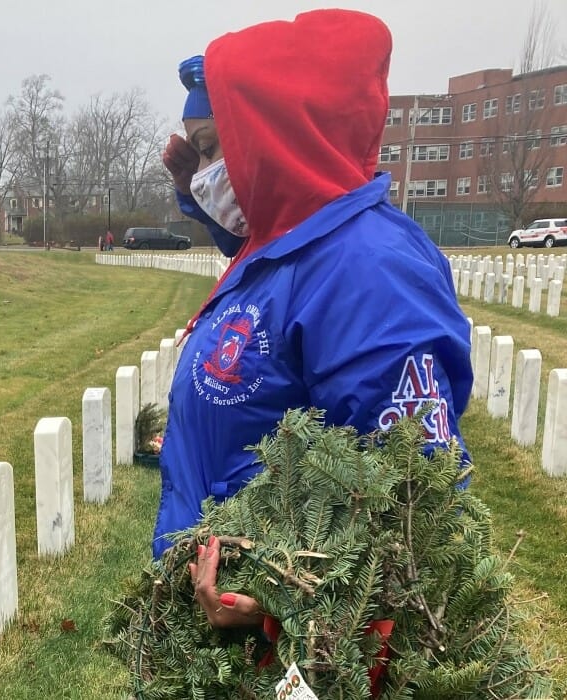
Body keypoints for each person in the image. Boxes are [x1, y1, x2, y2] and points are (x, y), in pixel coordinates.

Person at [154, 9, 472, 630]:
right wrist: (206, 202)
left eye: (215, 148)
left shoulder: (371, 272)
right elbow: (283, 285)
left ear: (270, 136)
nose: (208, 171)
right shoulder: (286, 241)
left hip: (286, 647)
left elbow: (412, 509)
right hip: (215, 620)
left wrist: (285, 611)